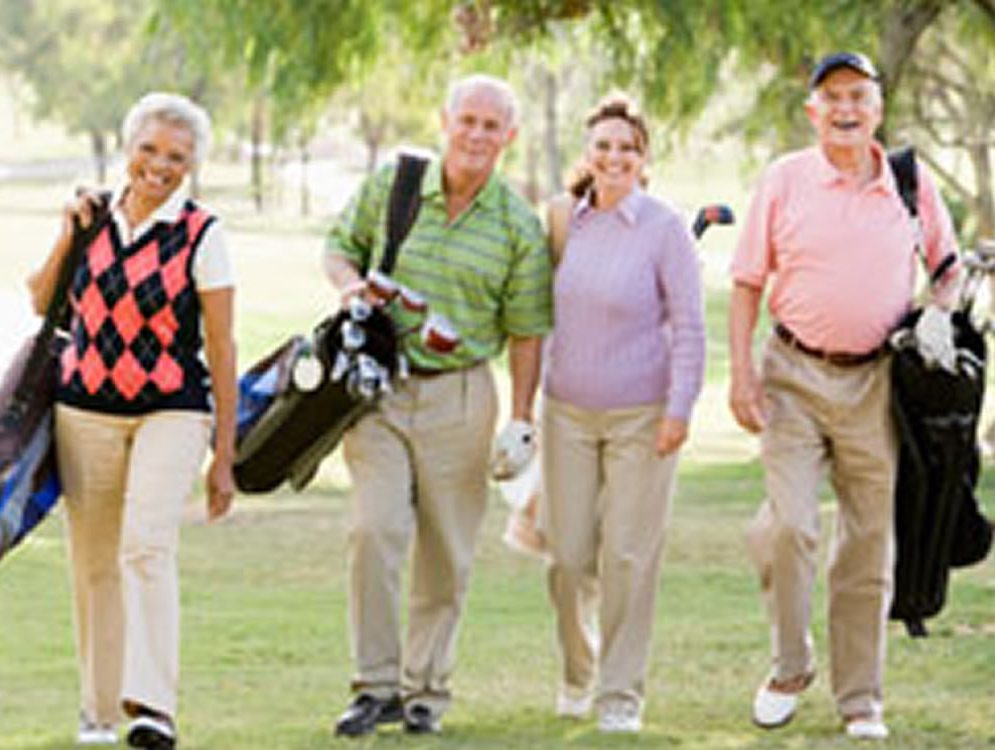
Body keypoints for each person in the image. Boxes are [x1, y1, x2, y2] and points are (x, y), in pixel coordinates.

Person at [729, 52, 960, 740]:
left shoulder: (911, 182)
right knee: (792, 526)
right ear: (813, 111)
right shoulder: (784, 180)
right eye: (832, 98)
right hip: (793, 373)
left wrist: (940, 313)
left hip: (877, 383)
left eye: (858, 95)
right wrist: (740, 375)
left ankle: (861, 698)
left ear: (878, 107)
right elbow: (745, 282)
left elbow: (945, 271)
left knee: (867, 544)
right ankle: (789, 666)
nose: (846, 108)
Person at [322, 73, 552, 737]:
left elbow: (528, 329)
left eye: (492, 126)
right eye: (468, 121)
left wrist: (520, 417)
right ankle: (374, 687)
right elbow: (339, 249)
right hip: (378, 388)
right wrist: (348, 289)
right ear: (445, 121)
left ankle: (425, 692)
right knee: (374, 530)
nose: (477, 135)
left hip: (462, 393)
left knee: (446, 551)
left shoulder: (517, 224)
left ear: (508, 138)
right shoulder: (395, 185)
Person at [27, 92, 237, 750]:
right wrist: (68, 231)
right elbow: (40, 298)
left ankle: (153, 709)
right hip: (83, 409)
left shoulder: (204, 234)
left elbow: (223, 349)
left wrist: (224, 455)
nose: (159, 166)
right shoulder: (89, 218)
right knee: (93, 564)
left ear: (193, 164)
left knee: (145, 545)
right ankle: (98, 715)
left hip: (170, 411)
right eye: (148, 149)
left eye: (176, 156)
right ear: (127, 148)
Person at [540, 93, 706, 734]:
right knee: (569, 557)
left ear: (644, 160)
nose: (615, 157)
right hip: (567, 415)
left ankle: (620, 694)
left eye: (628, 148)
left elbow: (691, 327)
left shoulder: (664, 228)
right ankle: (578, 673)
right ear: (588, 153)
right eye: (605, 146)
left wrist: (680, 408)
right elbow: (537, 315)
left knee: (629, 558)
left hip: (644, 415)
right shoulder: (562, 220)